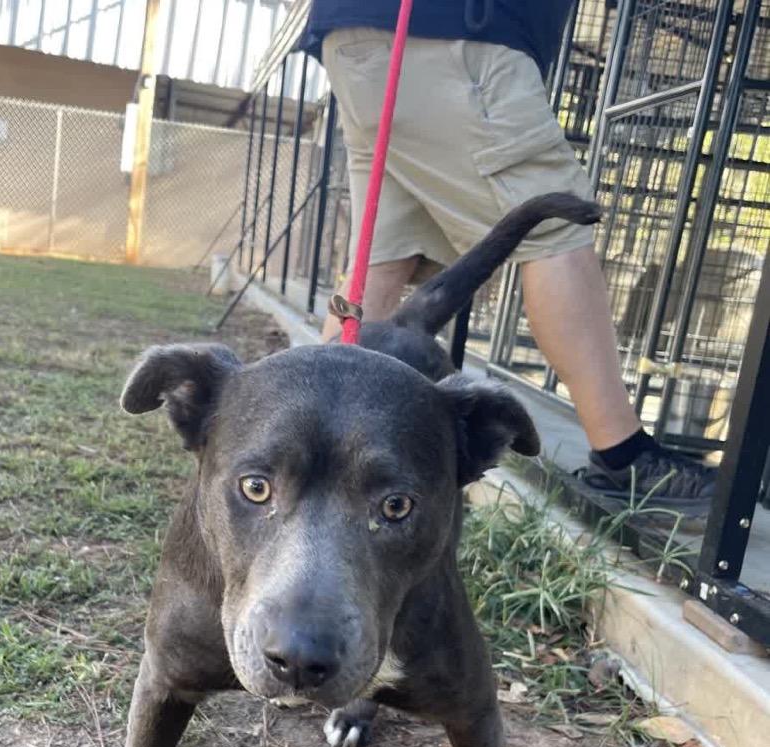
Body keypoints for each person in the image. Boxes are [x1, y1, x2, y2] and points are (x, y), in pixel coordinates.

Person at [300, 0, 717, 510]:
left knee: (386, 252)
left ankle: (311, 443)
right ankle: (623, 454)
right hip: (454, 32)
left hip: (361, 41)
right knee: (555, 225)